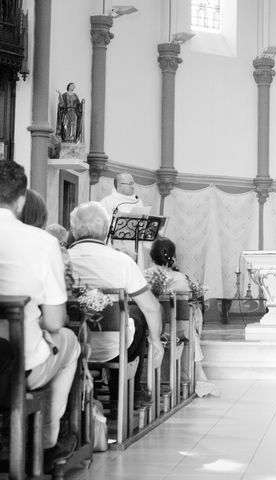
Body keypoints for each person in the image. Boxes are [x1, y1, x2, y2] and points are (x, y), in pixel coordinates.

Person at [0, 161, 80, 472]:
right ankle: (46, 444)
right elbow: (54, 322)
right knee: (70, 342)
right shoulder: (42, 243)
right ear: (21, 200)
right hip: (17, 368)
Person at [67, 202, 164, 408]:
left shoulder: (62, 258)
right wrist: (155, 341)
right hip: (114, 345)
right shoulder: (122, 261)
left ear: (73, 230)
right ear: (106, 229)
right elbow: (152, 307)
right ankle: (126, 394)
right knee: (137, 315)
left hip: (71, 343)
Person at [145, 237, 219, 397]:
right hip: (179, 330)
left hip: (150, 330)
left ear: (151, 257)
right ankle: (193, 375)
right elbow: (192, 309)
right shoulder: (181, 279)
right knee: (193, 317)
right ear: (172, 257)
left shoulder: (144, 277)